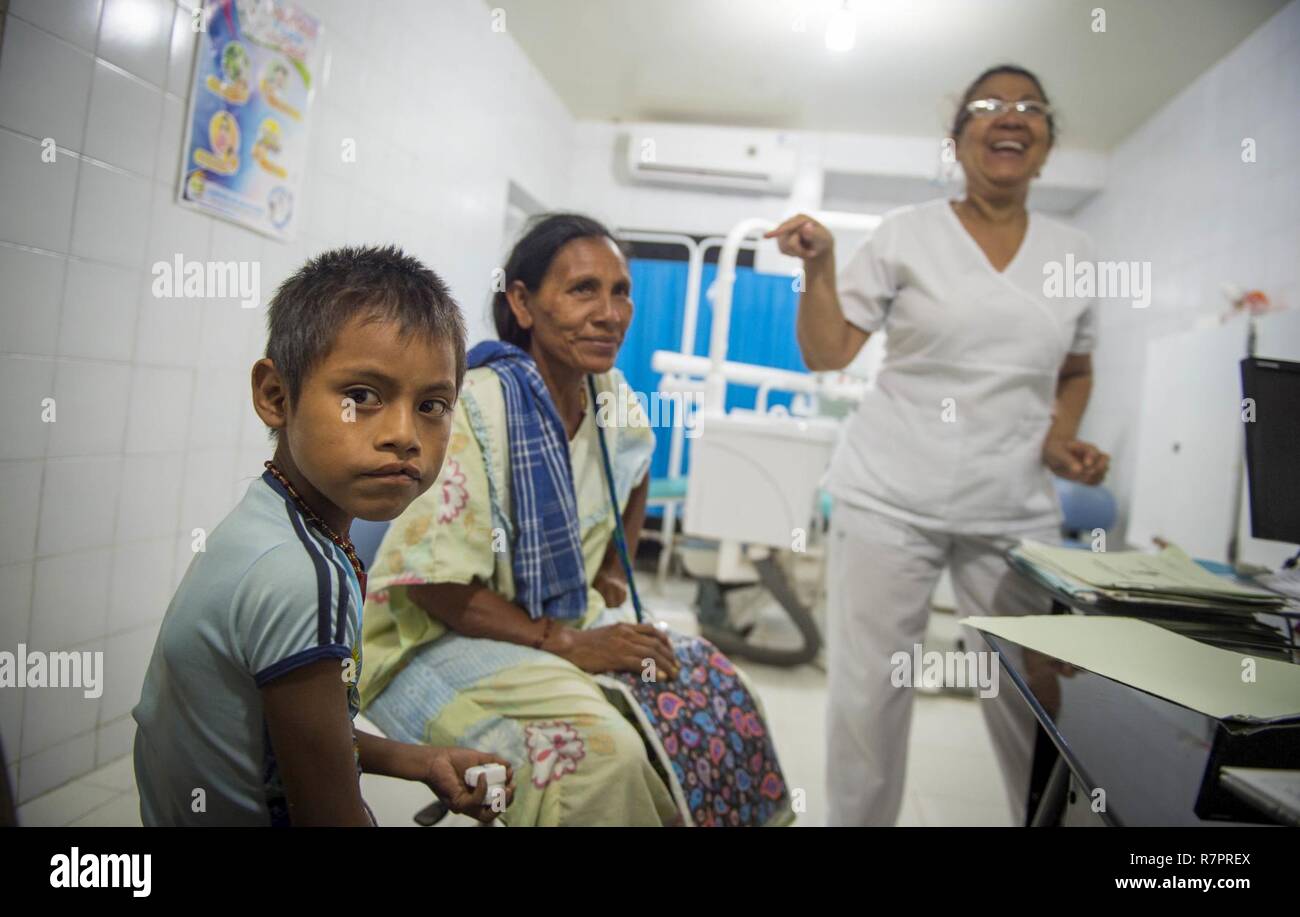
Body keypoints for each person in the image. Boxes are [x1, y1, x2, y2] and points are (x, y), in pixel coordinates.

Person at [359, 214, 789, 827]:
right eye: (584, 289)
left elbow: (637, 465)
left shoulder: (611, 397)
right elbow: (435, 585)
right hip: (434, 636)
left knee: (717, 692)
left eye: (621, 292)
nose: (610, 313)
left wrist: (613, 574)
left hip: (562, 617)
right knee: (605, 757)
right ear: (523, 304)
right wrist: (570, 644)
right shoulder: (475, 408)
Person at [767, 64, 1109, 826]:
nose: (1009, 116)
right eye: (987, 106)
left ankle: (1049, 820)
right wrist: (819, 266)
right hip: (890, 493)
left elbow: (1076, 371)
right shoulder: (906, 233)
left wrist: (1060, 439)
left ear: (1047, 145)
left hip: (1012, 504)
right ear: (957, 141)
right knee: (870, 691)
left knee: (1030, 685)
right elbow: (828, 352)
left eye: (1029, 107)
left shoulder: (1077, 252)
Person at [132, 245, 514, 825]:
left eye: (432, 404)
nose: (404, 435)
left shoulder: (269, 518)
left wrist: (423, 759)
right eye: (361, 397)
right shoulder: (303, 577)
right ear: (276, 396)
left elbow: (288, 736)